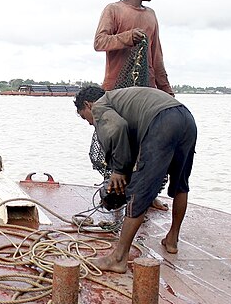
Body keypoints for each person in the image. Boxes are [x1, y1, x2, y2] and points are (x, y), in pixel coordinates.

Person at [74, 84, 197, 273]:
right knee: (181, 184)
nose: (90, 123)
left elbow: (117, 128)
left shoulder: (100, 105)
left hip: (161, 122)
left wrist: (119, 170)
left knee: (140, 192)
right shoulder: (122, 100)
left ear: (88, 105)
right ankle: (172, 239)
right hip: (186, 119)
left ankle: (118, 258)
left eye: (85, 117)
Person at [94, 0, 173, 95]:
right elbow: (99, 42)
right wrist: (128, 37)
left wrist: (167, 91)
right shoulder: (113, 9)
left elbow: (156, 56)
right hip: (116, 89)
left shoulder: (151, 14)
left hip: (146, 88)